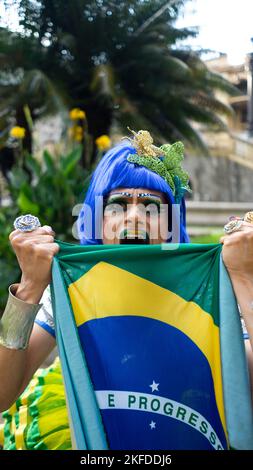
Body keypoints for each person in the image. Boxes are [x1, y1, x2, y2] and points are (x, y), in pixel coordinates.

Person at [0, 129, 253, 419]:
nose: (134, 217)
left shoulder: (211, 289)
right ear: (97, 218)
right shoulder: (74, 289)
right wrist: (30, 287)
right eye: (118, 206)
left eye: (151, 206)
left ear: (172, 223)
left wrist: (246, 280)